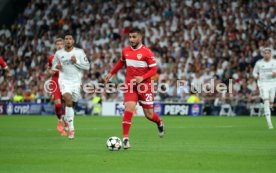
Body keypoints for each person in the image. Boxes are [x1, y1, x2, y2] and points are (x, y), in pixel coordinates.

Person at [105, 28, 164, 149]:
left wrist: (142, 78)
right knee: (129, 107)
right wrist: (111, 73)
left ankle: (159, 122)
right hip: (130, 85)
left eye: (134, 37)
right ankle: (125, 139)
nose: (131, 39)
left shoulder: (147, 52)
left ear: (140, 38)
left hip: (145, 86)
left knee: (149, 115)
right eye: (130, 37)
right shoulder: (125, 50)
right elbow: (121, 62)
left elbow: (154, 70)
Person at [52, 33, 90, 139]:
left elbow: (87, 66)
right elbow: (54, 65)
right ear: (64, 41)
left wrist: (76, 61)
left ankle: (67, 119)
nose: (68, 40)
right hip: (64, 81)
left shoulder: (79, 52)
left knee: (71, 104)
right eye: (66, 39)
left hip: (76, 82)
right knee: (67, 99)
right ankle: (72, 129)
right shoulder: (59, 53)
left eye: (70, 39)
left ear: (73, 41)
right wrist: (57, 66)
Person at [47, 38, 67, 136]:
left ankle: (66, 120)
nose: (59, 46)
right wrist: (50, 71)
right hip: (55, 81)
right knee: (58, 105)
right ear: (55, 46)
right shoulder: (51, 58)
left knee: (67, 103)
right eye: (57, 44)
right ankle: (60, 121)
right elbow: (49, 68)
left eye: (61, 44)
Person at [253, 48, 276, 129]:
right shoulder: (259, 63)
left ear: (270, 54)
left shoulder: (274, 62)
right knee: (266, 101)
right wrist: (257, 76)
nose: (266, 54)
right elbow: (254, 72)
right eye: (265, 53)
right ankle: (270, 124)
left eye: (268, 53)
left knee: (271, 102)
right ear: (263, 54)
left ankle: (264, 106)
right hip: (263, 84)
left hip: (273, 83)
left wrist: (275, 74)